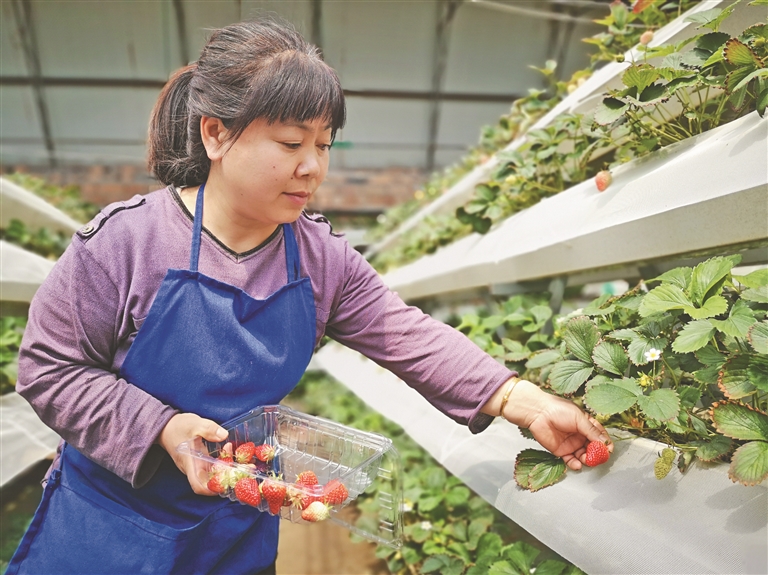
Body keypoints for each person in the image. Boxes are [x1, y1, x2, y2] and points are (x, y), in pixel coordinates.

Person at [8, 17, 612, 575]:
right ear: (215, 135)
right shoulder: (128, 243)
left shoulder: (321, 260)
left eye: (323, 145)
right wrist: (163, 428)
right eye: (291, 143)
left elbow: (407, 333)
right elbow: (47, 368)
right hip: (111, 521)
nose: (312, 168)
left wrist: (526, 404)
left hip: (236, 519)